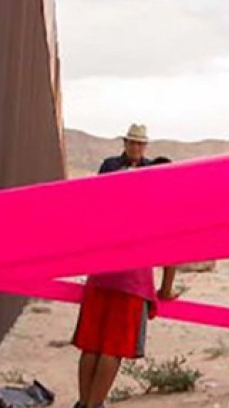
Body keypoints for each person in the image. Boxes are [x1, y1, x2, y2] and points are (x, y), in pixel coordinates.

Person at [73, 124, 178, 408]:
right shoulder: (155, 207)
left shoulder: (112, 193)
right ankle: (93, 405)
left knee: (92, 343)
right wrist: (166, 290)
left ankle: (84, 403)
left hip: (101, 272)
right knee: (113, 347)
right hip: (132, 280)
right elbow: (170, 251)